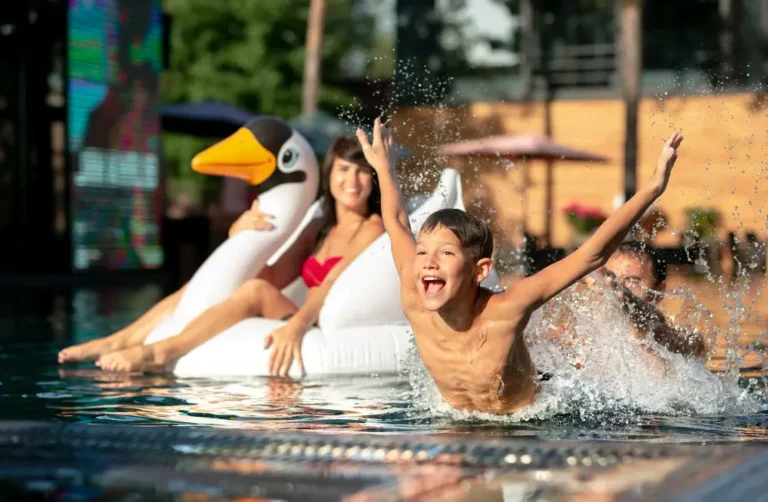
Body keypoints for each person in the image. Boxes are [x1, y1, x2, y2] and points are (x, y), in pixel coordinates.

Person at [356, 117, 684, 414]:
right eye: (423, 252)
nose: (428, 262)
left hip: (525, 420)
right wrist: (384, 168)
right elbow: (397, 223)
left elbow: (590, 256)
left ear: (480, 271)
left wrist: (652, 187)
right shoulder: (414, 291)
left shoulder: (506, 309)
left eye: (446, 254)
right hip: (457, 420)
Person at [59, 137, 384, 375]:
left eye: (362, 172)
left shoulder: (371, 227)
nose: (351, 181)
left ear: (373, 179)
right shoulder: (319, 223)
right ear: (329, 173)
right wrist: (240, 240)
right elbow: (271, 274)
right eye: (343, 169)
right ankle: (118, 339)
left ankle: (159, 352)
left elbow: (329, 286)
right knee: (200, 285)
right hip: (297, 312)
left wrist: (297, 325)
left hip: (318, 320)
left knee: (254, 292)